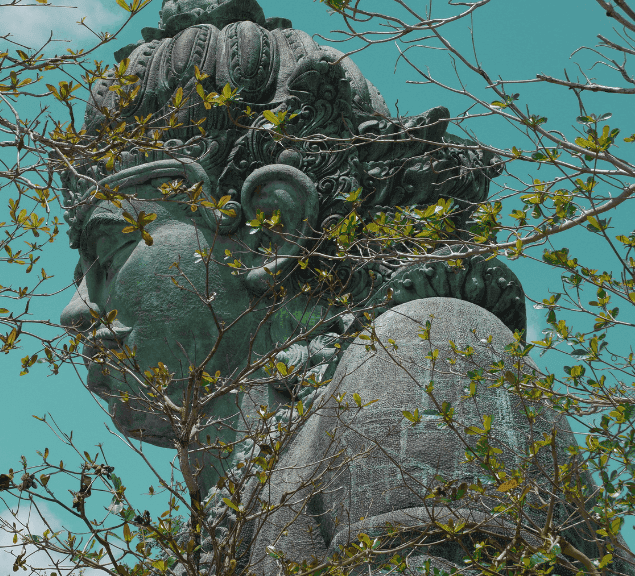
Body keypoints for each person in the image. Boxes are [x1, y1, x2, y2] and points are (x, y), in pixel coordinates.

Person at [57, 1, 621, 573]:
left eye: (109, 250)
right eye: (82, 273)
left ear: (268, 229)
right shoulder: (233, 507)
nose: (75, 309)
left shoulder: (420, 354)